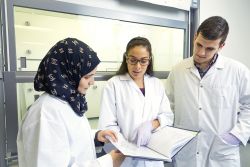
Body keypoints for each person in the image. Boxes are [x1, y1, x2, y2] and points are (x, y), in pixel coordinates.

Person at [17, 38, 126, 167]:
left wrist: (96, 137)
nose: (92, 82)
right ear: (67, 73)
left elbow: (70, 140)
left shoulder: (67, 100)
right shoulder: (46, 113)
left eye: (93, 75)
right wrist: (108, 162)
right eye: (87, 76)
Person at [166, 16, 250, 167]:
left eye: (209, 48)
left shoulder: (237, 71)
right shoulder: (178, 69)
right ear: (194, 37)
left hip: (221, 154)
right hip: (186, 153)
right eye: (199, 45)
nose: (201, 52)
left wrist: (236, 135)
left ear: (221, 46)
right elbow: (168, 107)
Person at [98, 37, 174, 167]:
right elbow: (108, 126)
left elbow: (167, 117)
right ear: (126, 58)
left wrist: (150, 125)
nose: (138, 66)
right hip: (125, 158)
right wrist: (128, 148)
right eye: (133, 60)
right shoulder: (113, 85)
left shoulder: (157, 84)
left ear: (149, 61)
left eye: (143, 61)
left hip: (153, 158)